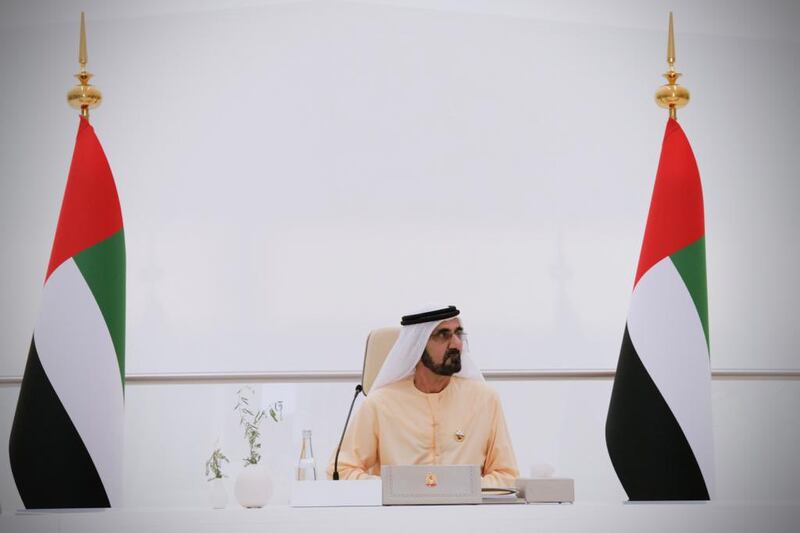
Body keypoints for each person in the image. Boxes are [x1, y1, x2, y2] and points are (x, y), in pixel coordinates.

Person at [327, 305, 519, 487]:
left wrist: (464, 489)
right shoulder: (380, 404)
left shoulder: (485, 399)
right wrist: (392, 489)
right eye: (444, 335)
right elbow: (340, 471)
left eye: (458, 333)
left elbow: (507, 475)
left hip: (465, 515)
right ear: (417, 346)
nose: (457, 344)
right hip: (398, 517)